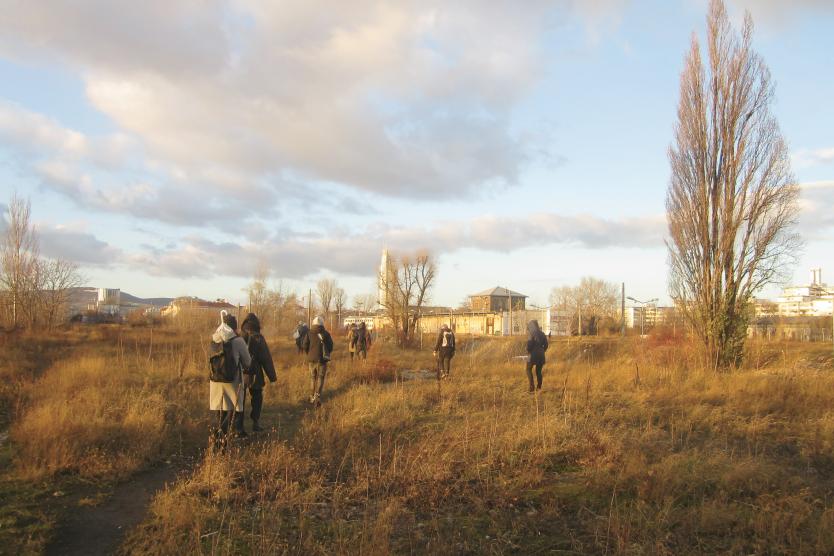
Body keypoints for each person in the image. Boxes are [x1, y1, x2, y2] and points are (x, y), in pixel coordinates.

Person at [209, 312, 252, 444]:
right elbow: (247, 362)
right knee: (231, 409)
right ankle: (223, 436)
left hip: (215, 380)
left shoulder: (214, 339)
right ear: (234, 327)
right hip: (233, 380)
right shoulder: (238, 341)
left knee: (219, 408)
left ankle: (219, 435)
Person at [241, 313, 277, 432]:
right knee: (257, 398)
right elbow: (266, 358)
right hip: (255, 373)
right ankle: (255, 423)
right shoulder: (259, 338)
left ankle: (238, 426)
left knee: (239, 399)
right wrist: (272, 377)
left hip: (241, 373)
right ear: (257, 324)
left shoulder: (239, 336)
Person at [302, 315, 334, 406]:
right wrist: (325, 353)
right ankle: (318, 397)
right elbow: (331, 347)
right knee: (320, 378)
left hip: (311, 360)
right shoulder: (326, 334)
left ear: (313, 323)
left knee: (312, 378)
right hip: (322, 360)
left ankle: (311, 396)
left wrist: (309, 353)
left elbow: (304, 345)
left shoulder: (309, 333)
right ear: (322, 324)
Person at [525, 319, 549, 393]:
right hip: (541, 355)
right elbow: (546, 345)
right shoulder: (542, 333)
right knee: (538, 371)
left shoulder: (531, 333)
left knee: (528, 369)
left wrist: (528, 350)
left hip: (532, 355)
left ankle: (531, 388)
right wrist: (542, 351)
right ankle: (539, 388)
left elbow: (529, 345)